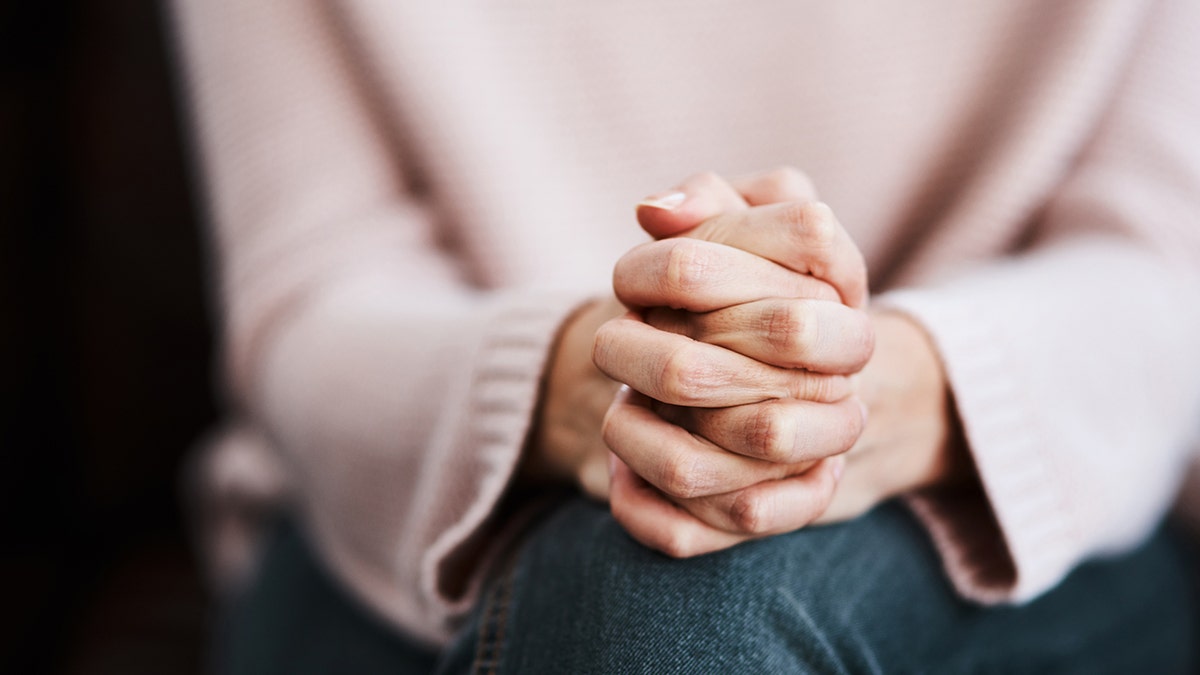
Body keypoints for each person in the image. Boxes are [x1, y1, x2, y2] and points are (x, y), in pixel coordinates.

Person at [171, 0, 1200, 672]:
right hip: (402, 519)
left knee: (670, 611)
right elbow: (313, 294)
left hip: (1036, 503)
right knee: (656, 602)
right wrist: (577, 384)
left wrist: (883, 389)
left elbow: (1162, 271)